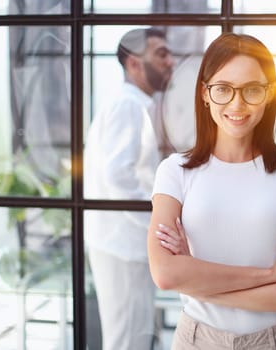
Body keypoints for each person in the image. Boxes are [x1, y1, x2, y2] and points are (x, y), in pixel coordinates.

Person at [147, 33, 276, 350]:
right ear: (205, 93)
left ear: (269, 94)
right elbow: (165, 274)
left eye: (252, 90)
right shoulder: (174, 171)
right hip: (196, 341)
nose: (237, 103)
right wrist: (274, 273)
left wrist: (197, 280)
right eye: (223, 89)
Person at [84, 27, 174, 350]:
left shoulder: (134, 105)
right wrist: (157, 226)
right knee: (127, 340)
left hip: (124, 244)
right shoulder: (128, 106)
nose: (171, 61)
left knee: (133, 336)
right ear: (134, 63)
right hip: (122, 246)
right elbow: (118, 177)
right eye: (161, 54)